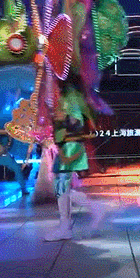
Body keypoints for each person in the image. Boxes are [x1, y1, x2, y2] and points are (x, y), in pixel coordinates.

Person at [45, 100, 107, 241]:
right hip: (66, 149)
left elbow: (77, 129)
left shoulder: (71, 104)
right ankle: (93, 208)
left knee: (62, 188)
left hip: (70, 149)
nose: (56, 113)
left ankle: (66, 226)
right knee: (62, 189)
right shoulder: (65, 110)